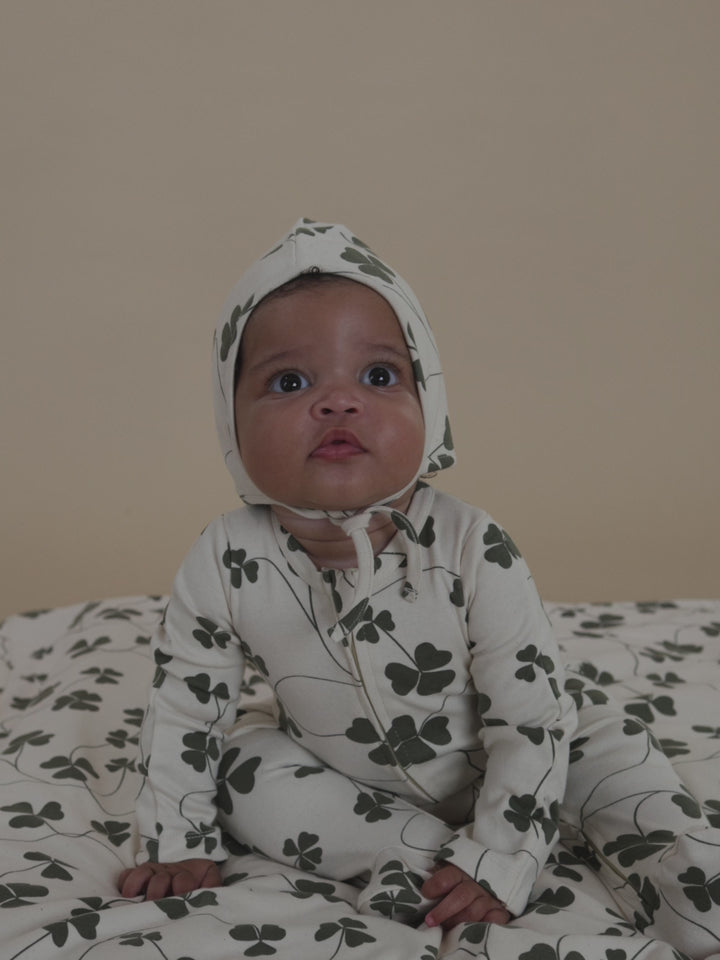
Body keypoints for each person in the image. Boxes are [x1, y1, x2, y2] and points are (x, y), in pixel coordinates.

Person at [119, 220, 720, 954]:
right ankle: (414, 856)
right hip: (348, 779)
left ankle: (695, 902)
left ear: (428, 402)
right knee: (243, 763)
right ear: (230, 420)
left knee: (620, 759)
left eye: (377, 376)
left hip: (519, 751)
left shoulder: (473, 544)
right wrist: (176, 836)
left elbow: (528, 719)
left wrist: (507, 847)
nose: (338, 403)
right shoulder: (223, 557)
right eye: (289, 381)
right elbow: (186, 705)